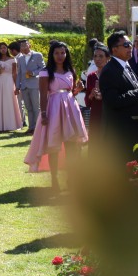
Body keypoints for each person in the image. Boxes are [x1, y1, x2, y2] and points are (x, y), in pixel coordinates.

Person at [24, 41, 87, 191]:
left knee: (72, 145)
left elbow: (70, 91)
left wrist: (77, 90)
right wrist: (44, 113)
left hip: (71, 108)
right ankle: (54, 179)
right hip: (53, 108)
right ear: (52, 54)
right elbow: (43, 95)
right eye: (57, 53)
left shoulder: (70, 70)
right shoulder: (46, 72)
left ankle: (71, 178)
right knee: (54, 145)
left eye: (63, 53)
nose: (60, 56)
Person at [99, 31, 138, 166]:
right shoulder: (110, 70)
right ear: (114, 49)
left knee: (133, 171)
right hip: (121, 133)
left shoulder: (127, 66)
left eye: (131, 44)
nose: (130, 48)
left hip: (133, 129)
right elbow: (113, 100)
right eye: (126, 45)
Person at [0, 41, 23, 132]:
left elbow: (14, 73)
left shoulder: (13, 59)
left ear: (7, 49)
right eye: (1, 48)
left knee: (9, 101)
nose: (3, 49)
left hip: (9, 82)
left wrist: (17, 86)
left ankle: (11, 124)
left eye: (4, 47)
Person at [82, 44, 111, 150]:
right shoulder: (91, 76)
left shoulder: (112, 75)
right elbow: (87, 101)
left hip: (109, 113)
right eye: (95, 56)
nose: (97, 59)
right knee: (95, 143)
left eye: (101, 56)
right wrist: (91, 94)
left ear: (108, 58)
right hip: (96, 113)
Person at [16, 40, 45, 134]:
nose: (23, 47)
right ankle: (31, 127)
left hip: (34, 85)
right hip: (24, 86)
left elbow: (43, 68)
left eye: (25, 45)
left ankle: (37, 128)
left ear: (30, 45)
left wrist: (33, 73)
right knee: (28, 108)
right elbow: (19, 73)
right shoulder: (20, 58)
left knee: (36, 107)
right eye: (21, 46)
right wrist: (17, 86)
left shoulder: (38, 55)